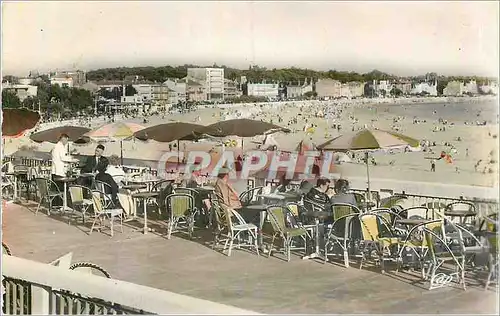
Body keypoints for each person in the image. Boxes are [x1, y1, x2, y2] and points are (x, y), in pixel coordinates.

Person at [51, 133, 72, 206]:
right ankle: (61, 205)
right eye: (66, 140)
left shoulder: (56, 146)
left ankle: (56, 204)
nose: (66, 142)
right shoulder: (60, 147)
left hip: (55, 170)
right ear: (63, 138)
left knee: (55, 188)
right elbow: (63, 157)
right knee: (60, 188)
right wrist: (71, 159)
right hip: (59, 171)